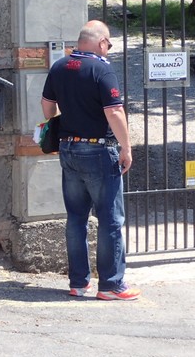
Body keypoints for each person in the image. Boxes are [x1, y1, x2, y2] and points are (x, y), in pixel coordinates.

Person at [41, 20, 140, 301]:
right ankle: (111, 285)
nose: (108, 49)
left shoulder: (59, 67)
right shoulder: (101, 69)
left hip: (68, 149)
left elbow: (47, 108)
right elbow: (114, 112)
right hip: (98, 150)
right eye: (109, 44)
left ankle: (78, 283)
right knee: (110, 219)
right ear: (101, 42)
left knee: (76, 218)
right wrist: (126, 147)